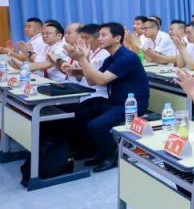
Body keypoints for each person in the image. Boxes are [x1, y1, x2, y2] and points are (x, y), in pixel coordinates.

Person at [62, 22, 150, 172]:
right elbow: (92, 81)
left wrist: (82, 59)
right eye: (99, 35)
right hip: (115, 101)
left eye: (104, 35)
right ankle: (98, 152)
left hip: (131, 104)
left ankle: (111, 156)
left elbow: (102, 80)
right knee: (80, 116)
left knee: (96, 126)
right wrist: (81, 64)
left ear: (117, 38)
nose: (99, 38)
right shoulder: (110, 59)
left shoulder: (127, 57)